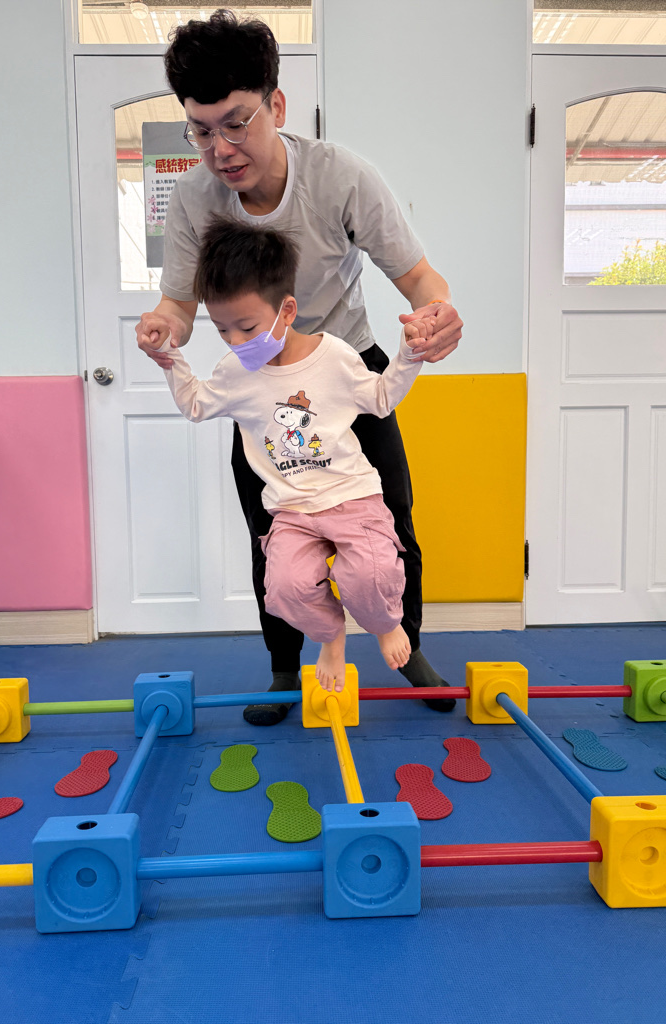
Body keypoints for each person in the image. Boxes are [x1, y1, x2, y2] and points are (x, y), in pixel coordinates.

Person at [136, 9, 463, 724]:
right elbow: (180, 303)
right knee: (273, 532)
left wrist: (437, 314)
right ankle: (286, 666)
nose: (220, 148)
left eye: (236, 123)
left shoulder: (339, 176)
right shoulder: (193, 197)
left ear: (276, 106)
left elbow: (419, 279)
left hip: (344, 364)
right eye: (200, 130)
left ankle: (406, 644)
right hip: (260, 378)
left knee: (391, 516)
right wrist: (165, 327)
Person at [159, 217, 434, 692]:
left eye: (247, 327)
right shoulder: (234, 372)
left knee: (371, 574)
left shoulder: (335, 356)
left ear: (287, 310)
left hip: (351, 498)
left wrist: (409, 355)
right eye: (222, 330)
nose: (236, 341)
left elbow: (380, 399)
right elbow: (196, 405)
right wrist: (169, 358)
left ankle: (386, 624)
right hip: (291, 509)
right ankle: (330, 637)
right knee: (283, 588)